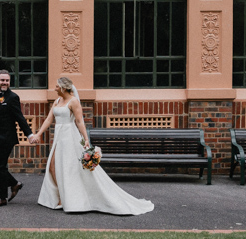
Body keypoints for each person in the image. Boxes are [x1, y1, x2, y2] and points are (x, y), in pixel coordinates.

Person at [28, 76, 154, 215]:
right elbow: (49, 119)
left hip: (70, 136)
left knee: (70, 169)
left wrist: (86, 139)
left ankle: (68, 199)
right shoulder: (57, 101)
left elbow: (80, 122)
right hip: (59, 137)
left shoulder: (73, 101)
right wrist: (38, 134)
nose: (55, 88)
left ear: (64, 88)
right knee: (52, 166)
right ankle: (60, 196)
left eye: (57, 86)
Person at [0, 69, 33, 207]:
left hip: (6, 138)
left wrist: (29, 134)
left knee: (0, 166)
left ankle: (2, 197)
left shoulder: (13, 97)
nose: (5, 83)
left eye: (7, 80)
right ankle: (14, 183)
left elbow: (20, 118)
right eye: (2, 80)